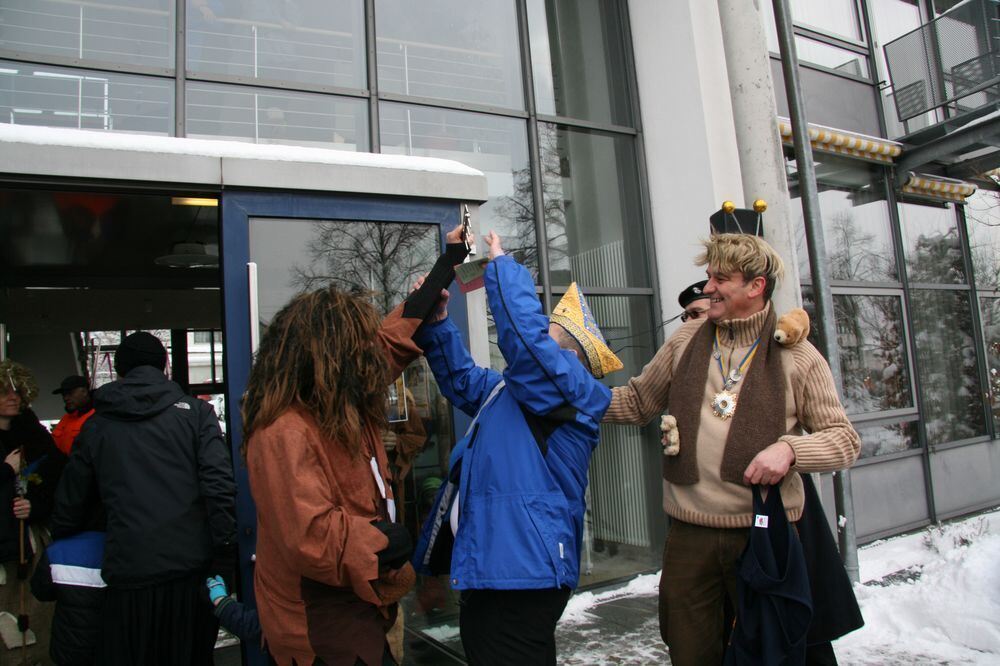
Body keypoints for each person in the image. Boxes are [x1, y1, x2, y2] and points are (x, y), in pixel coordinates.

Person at [603, 233, 861, 665]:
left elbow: (844, 439)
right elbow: (636, 401)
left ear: (755, 286)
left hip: (764, 535)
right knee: (689, 651)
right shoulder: (686, 340)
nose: (707, 288)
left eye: (721, 278)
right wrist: (563, 398)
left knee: (766, 653)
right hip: (690, 534)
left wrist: (790, 452)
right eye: (708, 277)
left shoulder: (799, 357)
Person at [241, 222, 472, 666]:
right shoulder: (282, 431)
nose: (367, 357)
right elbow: (310, 536)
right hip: (316, 627)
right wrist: (383, 542)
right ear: (323, 358)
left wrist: (448, 262)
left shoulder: (341, 389)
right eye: (355, 349)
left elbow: (391, 337)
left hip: (361, 604)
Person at [411, 231, 624, 666]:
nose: (541, 329)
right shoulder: (516, 391)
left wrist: (504, 269)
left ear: (574, 354)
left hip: (522, 571)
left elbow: (528, 346)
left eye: (551, 328)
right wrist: (436, 325)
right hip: (501, 565)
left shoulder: (572, 392)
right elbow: (464, 379)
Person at [51, 331, 237, 666]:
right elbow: (219, 485)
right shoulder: (196, 415)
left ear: (120, 371)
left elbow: (71, 500)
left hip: (128, 572)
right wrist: (225, 552)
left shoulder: (97, 426)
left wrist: (61, 537)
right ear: (165, 366)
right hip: (190, 571)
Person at [0, 359, 66, 660]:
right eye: (4, 392)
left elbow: (55, 477)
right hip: (4, 547)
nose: (13, 397)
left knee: (34, 614)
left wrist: (35, 506)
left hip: (28, 541)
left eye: (17, 391)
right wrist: (5, 471)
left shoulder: (34, 435)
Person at [30, 531, 106, 666]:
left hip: (67, 648)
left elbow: (41, 592)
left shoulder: (57, 551)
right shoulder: (124, 549)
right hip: (110, 647)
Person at [50, 375, 95, 455]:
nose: (65, 398)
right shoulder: (65, 418)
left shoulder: (98, 417)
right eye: (63, 395)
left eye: (70, 393)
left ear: (84, 391)